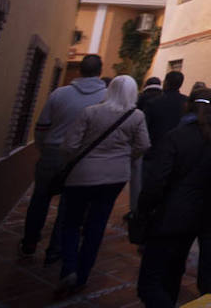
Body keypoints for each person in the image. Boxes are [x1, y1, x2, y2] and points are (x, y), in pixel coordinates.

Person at [57, 75, 149, 297]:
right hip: (115, 177)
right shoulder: (136, 116)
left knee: (70, 223)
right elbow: (143, 145)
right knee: (96, 225)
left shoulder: (91, 112)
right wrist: (125, 157)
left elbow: (70, 144)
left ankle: (68, 268)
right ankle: (83, 274)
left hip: (82, 175)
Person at [137, 87, 211, 307]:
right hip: (203, 213)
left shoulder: (176, 137)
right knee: (174, 270)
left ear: (187, 106)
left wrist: (144, 209)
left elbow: (157, 180)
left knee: (150, 283)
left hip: (172, 215)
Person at [21, 54, 107, 263]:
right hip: (82, 159)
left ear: (80, 71)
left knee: (40, 199)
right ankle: (55, 250)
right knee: (69, 207)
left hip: (52, 152)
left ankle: (29, 243)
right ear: (100, 72)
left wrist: (45, 148)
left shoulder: (59, 94)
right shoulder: (106, 98)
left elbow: (41, 127)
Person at [131, 77, 162, 211]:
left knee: (139, 180)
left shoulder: (141, 98)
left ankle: (137, 209)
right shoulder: (162, 97)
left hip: (144, 145)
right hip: (162, 147)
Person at [143, 70, 187, 158]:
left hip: (155, 150)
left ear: (166, 83)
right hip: (178, 150)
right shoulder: (187, 102)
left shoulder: (153, 103)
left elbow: (145, 128)